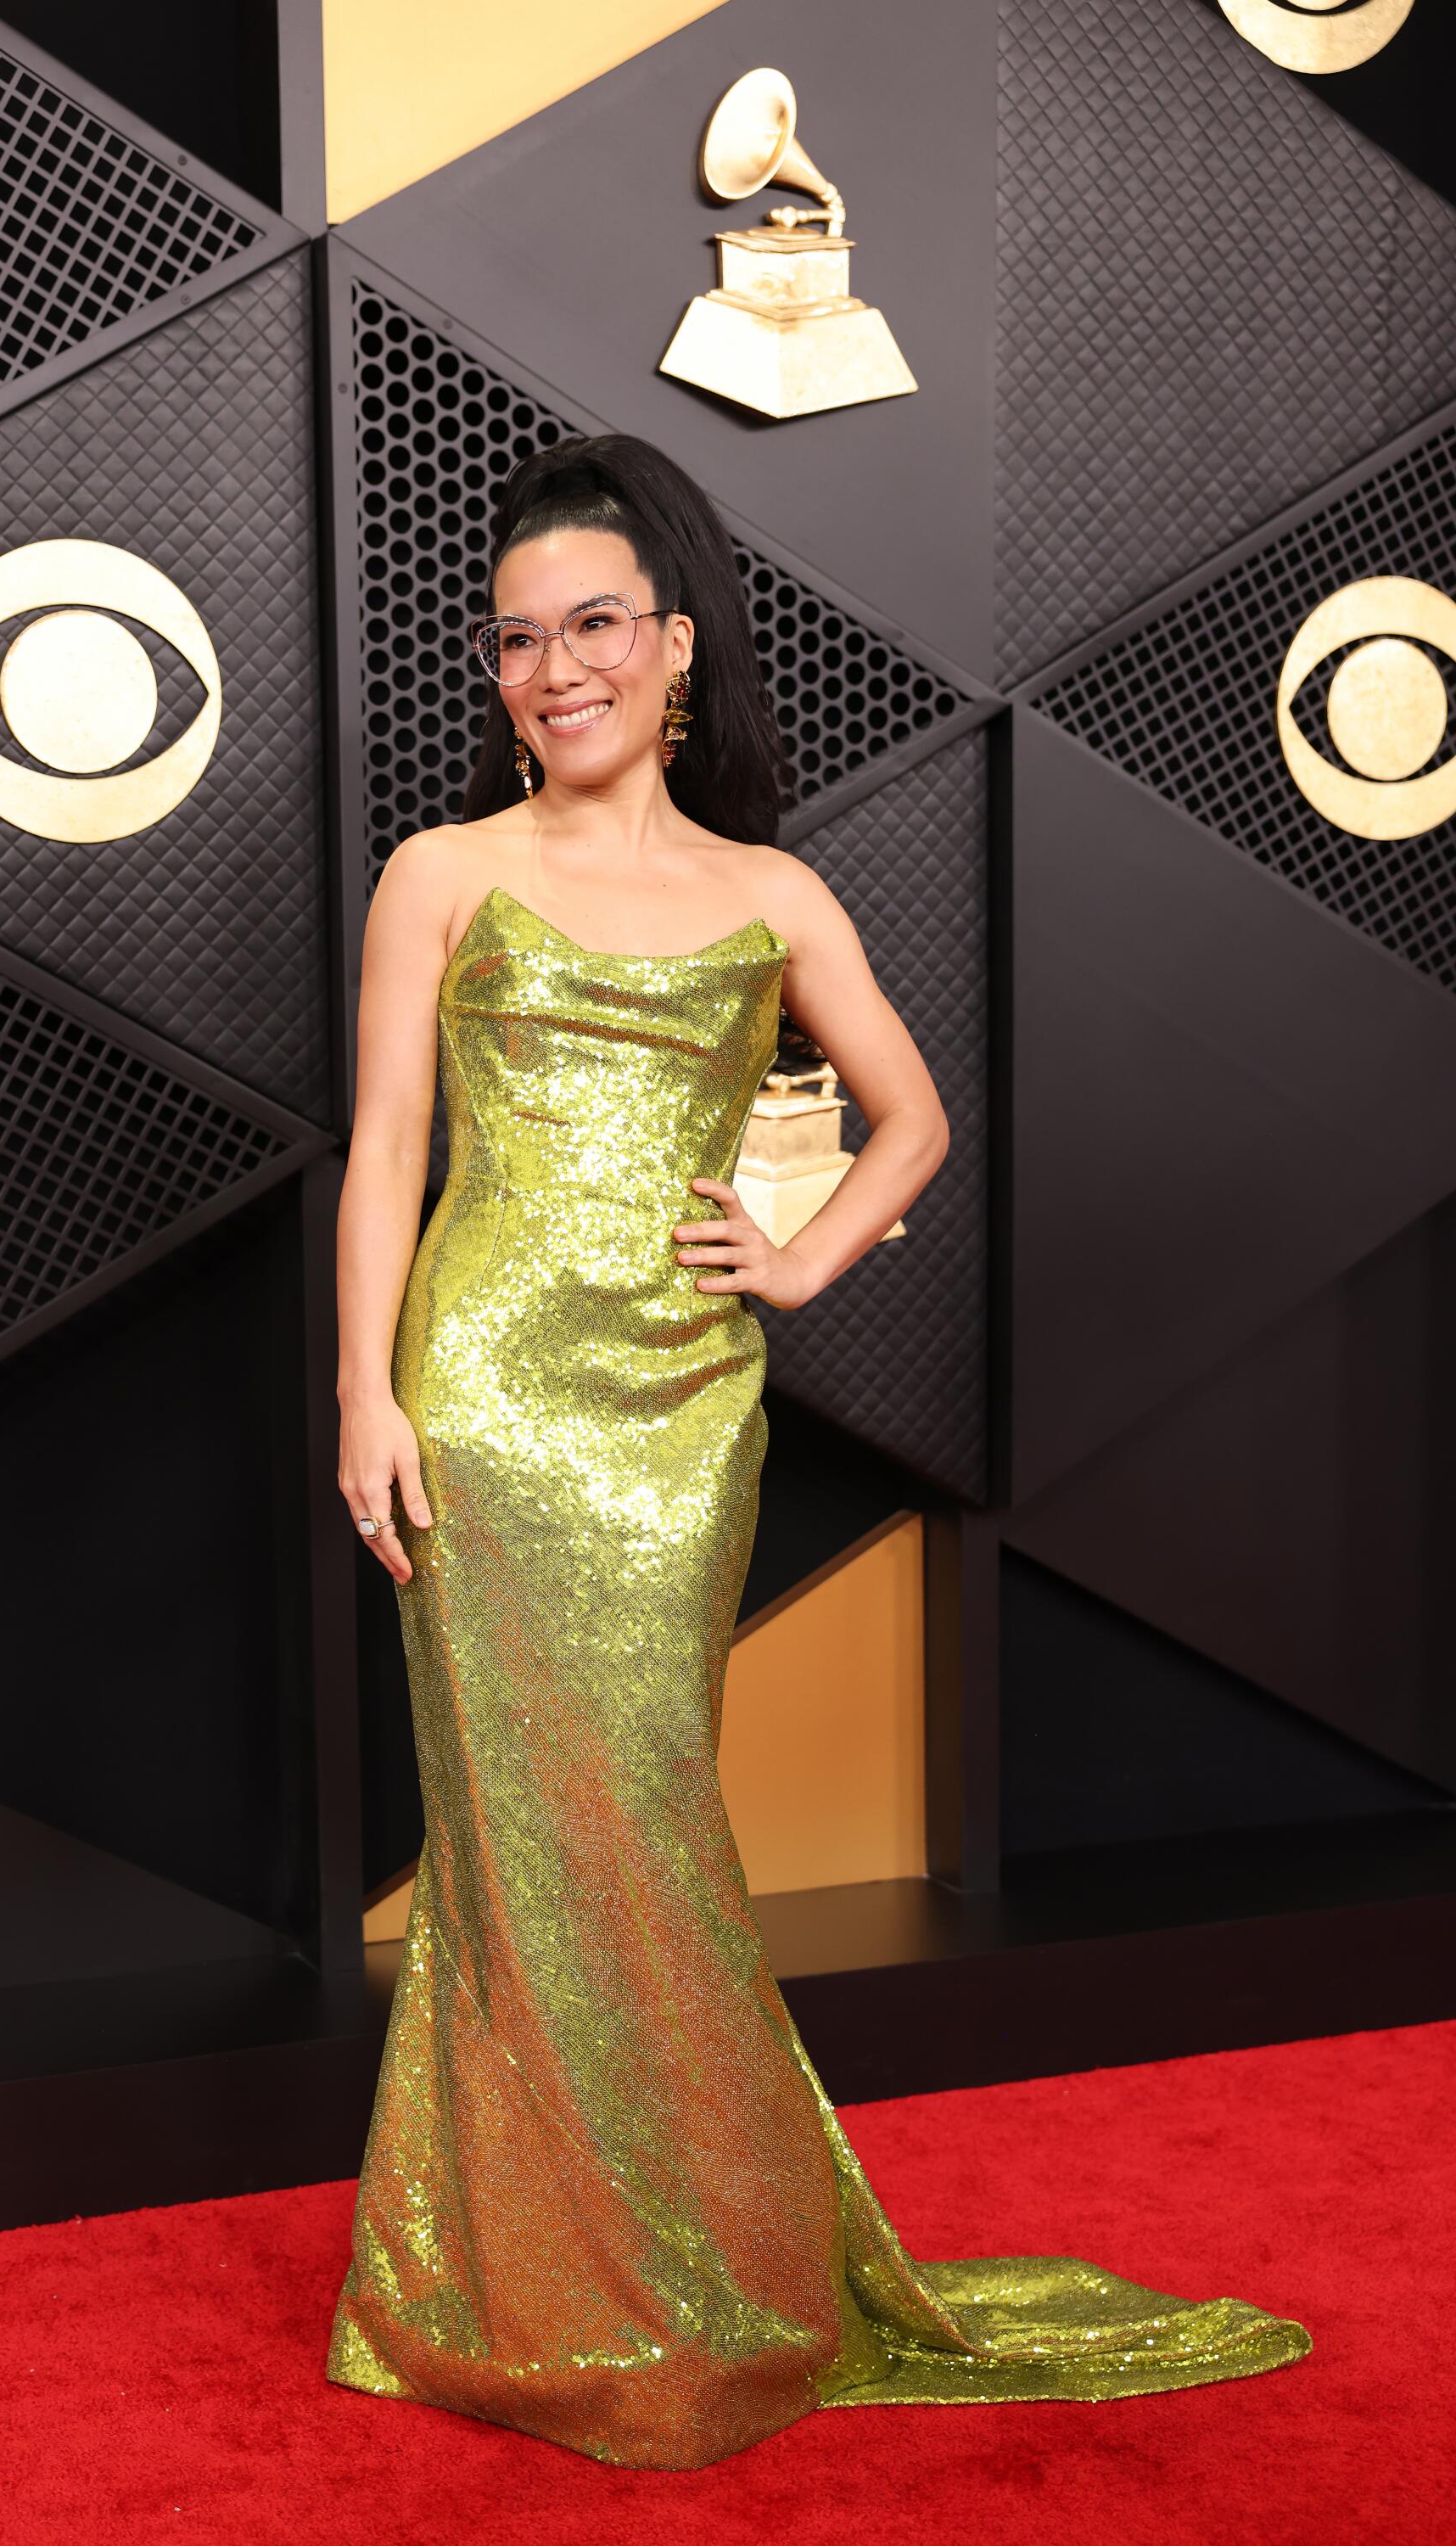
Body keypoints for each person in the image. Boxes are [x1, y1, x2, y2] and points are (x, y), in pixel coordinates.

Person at [325, 433, 1312, 2469]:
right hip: (487, 1396)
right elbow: (389, 1148)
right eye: (515, 638)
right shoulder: (440, 873)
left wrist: (792, 1263)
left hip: (682, 1411)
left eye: (595, 624)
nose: (554, 668)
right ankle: (514, 2287)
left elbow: (913, 1117)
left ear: (674, 646)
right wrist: (365, 1393)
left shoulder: (769, 897)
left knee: (646, 1820)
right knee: (515, 1839)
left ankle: (699, 2268)